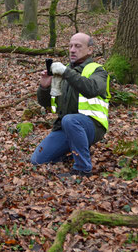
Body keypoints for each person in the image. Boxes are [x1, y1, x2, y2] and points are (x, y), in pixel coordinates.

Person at [31, 33, 110, 178]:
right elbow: (47, 103)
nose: (72, 50)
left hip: (92, 126)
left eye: (78, 46)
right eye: (70, 46)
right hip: (65, 127)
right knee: (37, 160)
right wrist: (44, 87)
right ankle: (73, 153)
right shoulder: (64, 71)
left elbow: (92, 89)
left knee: (70, 120)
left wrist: (66, 72)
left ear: (90, 50)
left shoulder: (97, 70)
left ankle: (83, 169)